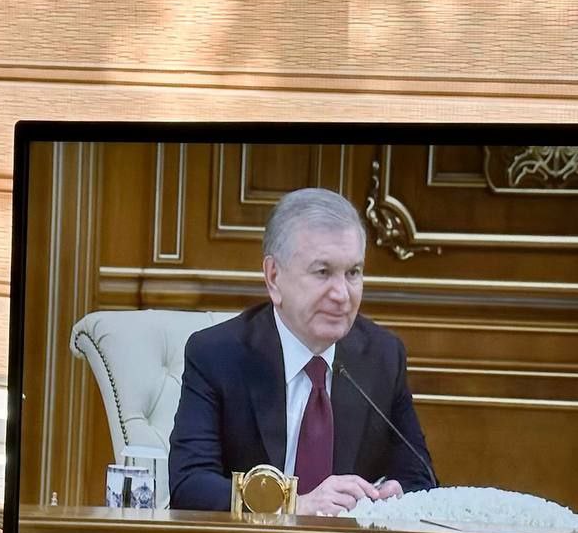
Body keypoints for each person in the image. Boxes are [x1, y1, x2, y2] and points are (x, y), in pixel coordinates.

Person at [168, 187, 435, 515]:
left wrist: (398, 494)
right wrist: (293, 504)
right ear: (274, 277)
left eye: (353, 273)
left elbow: (421, 477)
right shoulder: (217, 354)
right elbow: (189, 485)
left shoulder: (382, 356)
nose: (342, 294)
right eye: (323, 272)